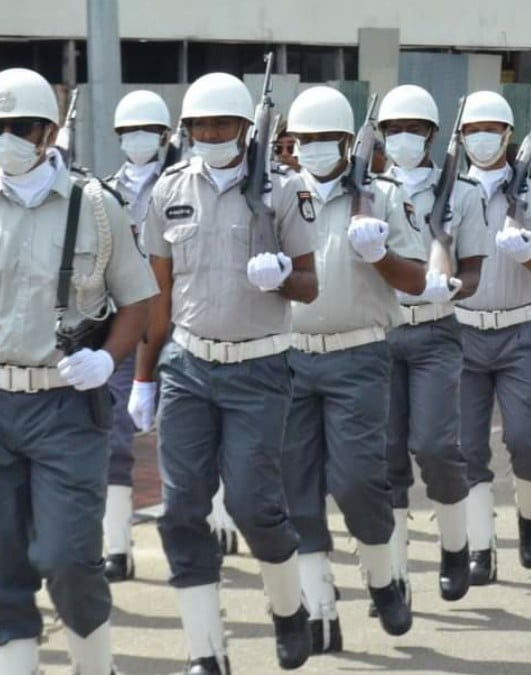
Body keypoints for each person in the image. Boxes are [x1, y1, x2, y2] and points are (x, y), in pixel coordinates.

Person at [130, 72, 319, 673]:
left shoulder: (282, 191)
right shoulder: (168, 191)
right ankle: (206, 650)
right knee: (182, 510)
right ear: (185, 131)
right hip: (188, 367)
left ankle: (289, 610)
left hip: (260, 367)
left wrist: (281, 277)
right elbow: (157, 296)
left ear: (245, 129)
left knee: (253, 505)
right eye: (200, 126)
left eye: (222, 125)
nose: (211, 135)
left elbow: (310, 286)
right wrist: (144, 375)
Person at [0, 66, 156, 675]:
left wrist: (109, 356)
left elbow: (139, 299)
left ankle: (96, 663)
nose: (7, 137)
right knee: (4, 558)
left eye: (19, 127)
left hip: (66, 403)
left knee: (67, 557)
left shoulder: (95, 205)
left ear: (47, 133)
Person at [277, 86, 430, 653]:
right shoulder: (277, 196)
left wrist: (379, 255)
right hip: (288, 355)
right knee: (297, 487)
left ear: (348, 142)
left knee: (357, 480)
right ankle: (319, 609)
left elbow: (415, 281)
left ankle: (383, 578)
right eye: (304, 140)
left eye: (324, 140)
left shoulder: (383, 197)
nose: (313, 150)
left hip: (359, 353)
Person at [375, 83, 488, 617]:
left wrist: (454, 288)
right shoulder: (368, 189)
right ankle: (392, 576)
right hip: (379, 333)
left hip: (437, 332)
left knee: (438, 447)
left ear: (432, 135)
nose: (403, 139)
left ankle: (454, 545)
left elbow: (474, 273)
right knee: (385, 457)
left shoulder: (463, 192)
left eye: (413, 129)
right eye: (392, 130)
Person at [455, 90, 531, 586]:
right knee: (465, 447)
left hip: (519, 330)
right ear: (460, 137)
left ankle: (530, 514)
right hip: (461, 332)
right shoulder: (452, 191)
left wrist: (527, 253)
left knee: (528, 440)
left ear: (508, 135)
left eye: (490, 129)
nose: (481, 138)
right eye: (471, 129)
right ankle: (481, 546)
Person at [101, 89, 172, 583]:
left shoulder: (182, 183)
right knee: (116, 437)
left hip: (183, 319)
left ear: (165, 136)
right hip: (129, 320)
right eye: (128, 132)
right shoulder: (103, 191)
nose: (137, 139)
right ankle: (116, 545)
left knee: (190, 436)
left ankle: (214, 515)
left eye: (145, 131)